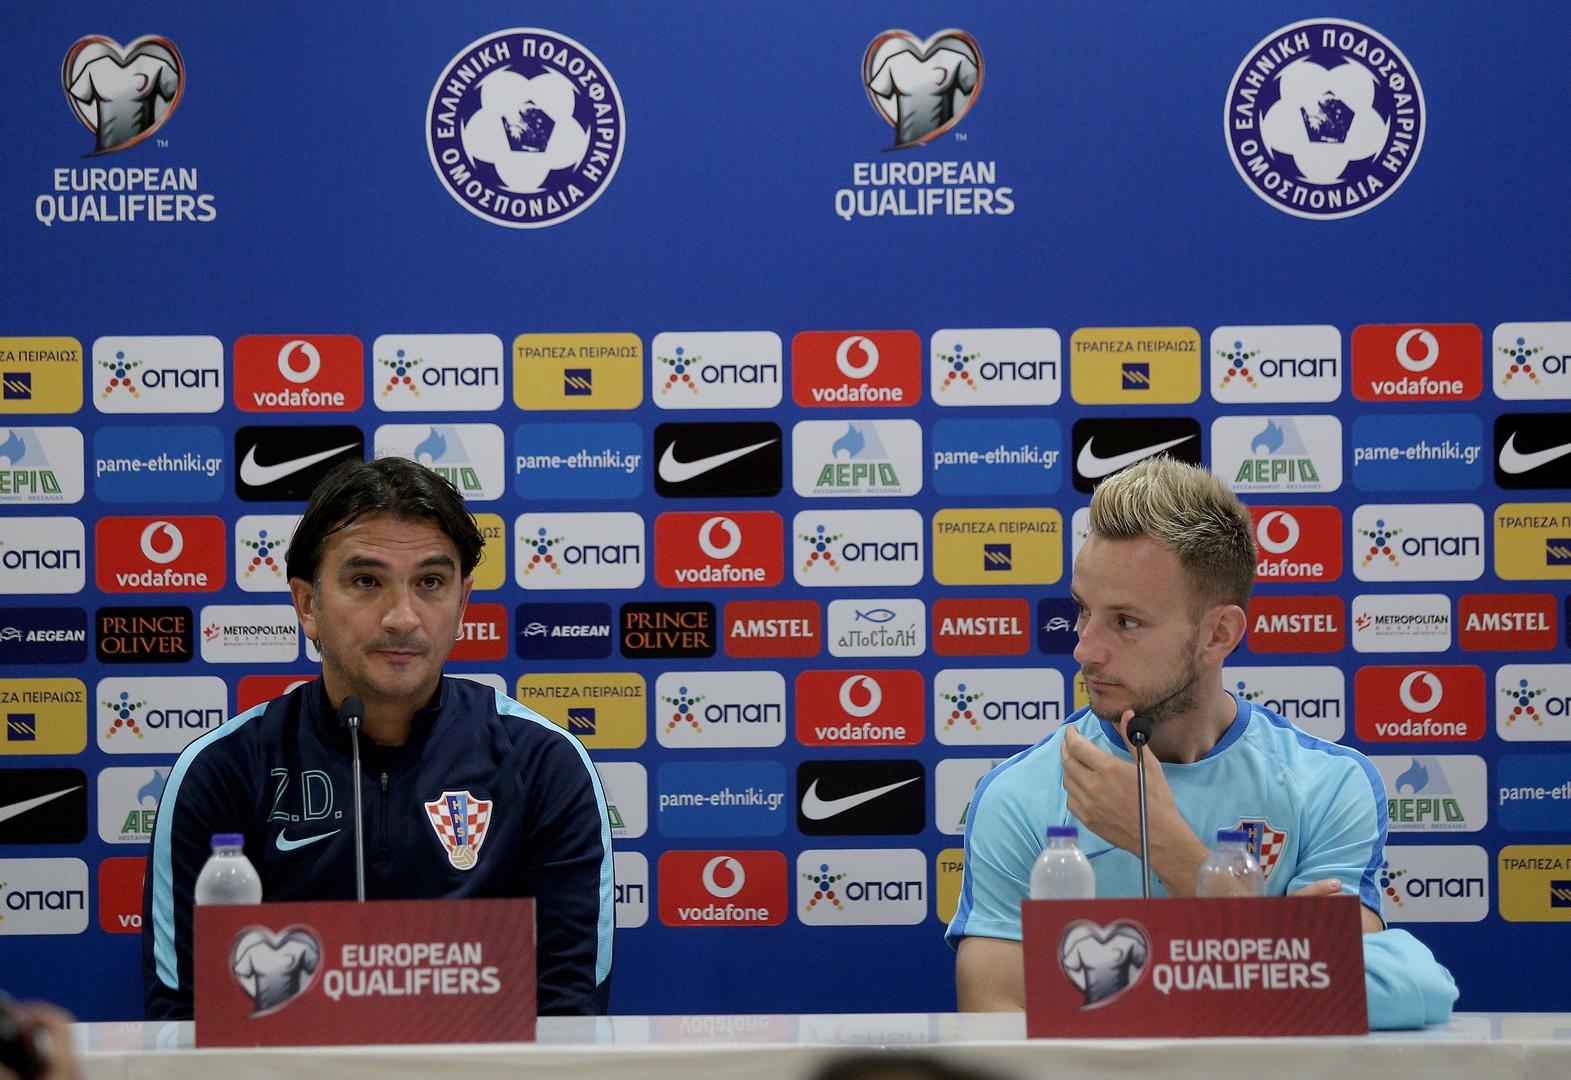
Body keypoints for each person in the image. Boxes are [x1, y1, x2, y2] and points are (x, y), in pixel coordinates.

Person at [946, 455, 1456, 1026]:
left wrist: (1165, 842)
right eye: (1084, 610)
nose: (1085, 648)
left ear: (1218, 634)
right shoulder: (1020, 794)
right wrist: (1278, 940)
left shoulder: (1328, 785)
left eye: (1126, 621)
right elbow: (995, 1026)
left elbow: (1387, 995)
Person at [142, 457, 614, 1019]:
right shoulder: (222, 770)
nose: (402, 617)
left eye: (431, 583)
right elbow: (184, 1022)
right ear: (307, 604)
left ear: (462, 604)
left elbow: (568, 1017)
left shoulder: (544, 764)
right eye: (366, 582)